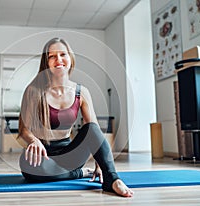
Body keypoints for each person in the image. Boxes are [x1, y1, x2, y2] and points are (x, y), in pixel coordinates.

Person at [17, 37, 133, 197]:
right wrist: (33, 140)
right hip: (41, 157)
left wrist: (101, 162)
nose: (58, 60)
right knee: (30, 169)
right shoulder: (34, 90)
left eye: (62, 54)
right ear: (46, 62)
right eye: (52, 56)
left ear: (70, 58)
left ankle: (112, 179)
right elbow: (23, 131)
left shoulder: (81, 92)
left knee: (91, 127)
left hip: (69, 155)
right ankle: (79, 173)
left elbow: (94, 131)